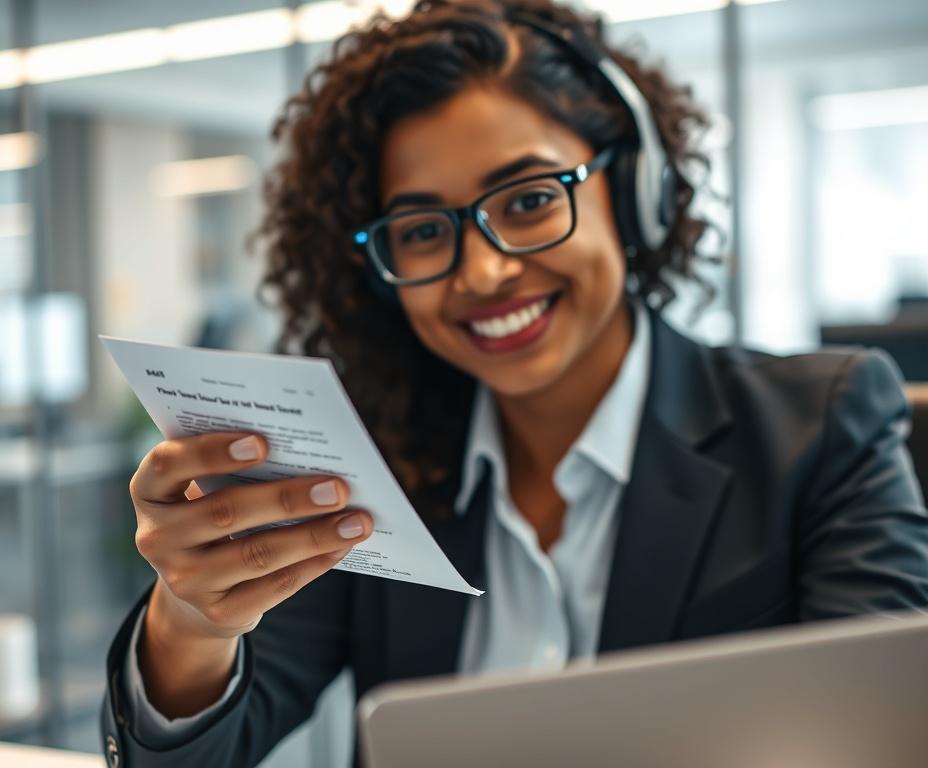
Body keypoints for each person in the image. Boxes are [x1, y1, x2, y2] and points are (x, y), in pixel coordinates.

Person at [100, 0, 928, 765]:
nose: (487, 270)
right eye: (424, 230)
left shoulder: (820, 428)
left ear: (634, 187)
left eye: (529, 199)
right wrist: (194, 623)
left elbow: (886, 737)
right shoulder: (364, 463)